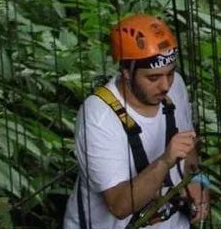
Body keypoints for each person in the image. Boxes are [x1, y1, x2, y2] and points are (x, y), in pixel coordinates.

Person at [63, 14, 210, 229]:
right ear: (127, 73)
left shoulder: (174, 85)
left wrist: (197, 180)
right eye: (153, 78)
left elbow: (187, 144)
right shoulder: (99, 116)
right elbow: (119, 206)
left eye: (170, 74)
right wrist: (165, 161)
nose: (165, 85)